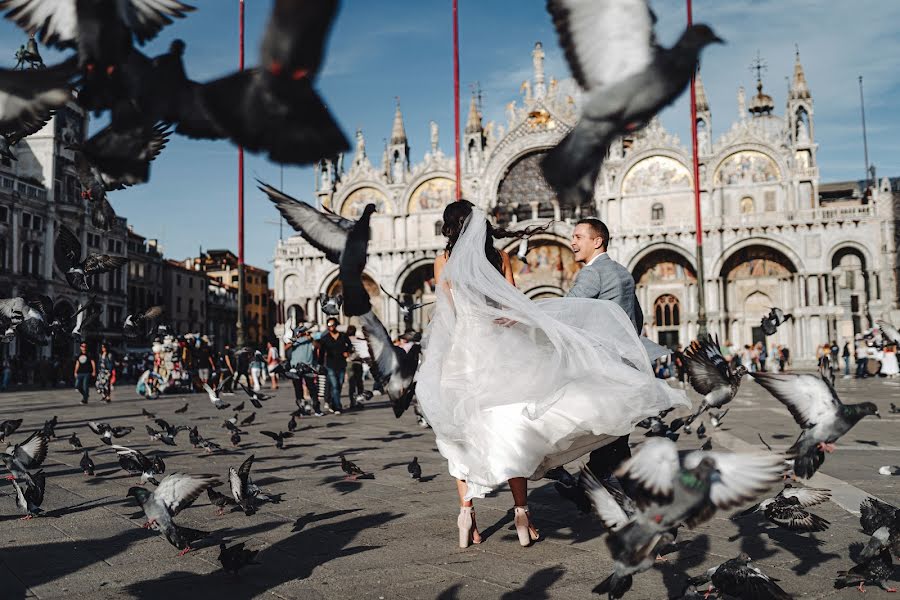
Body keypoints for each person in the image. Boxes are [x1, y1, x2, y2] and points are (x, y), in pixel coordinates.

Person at [416, 201, 687, 549]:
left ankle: (466, 514)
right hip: (497, 347)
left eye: (578, 236)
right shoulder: (500, 258)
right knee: (513, 421)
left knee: (460, 430)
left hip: (463, 350)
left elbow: (447, 313)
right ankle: (522, 514)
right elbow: (514, 303)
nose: (573, 241)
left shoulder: (444, 262)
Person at [286, 325, 323, 416]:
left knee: (312, 388)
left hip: (307, 366)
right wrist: (296, 339)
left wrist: (311, 338)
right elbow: (286, 347)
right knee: (298, 389)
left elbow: (318, 346)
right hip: (295, 367)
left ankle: (316, 408)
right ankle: (302, 408)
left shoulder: (309, 339)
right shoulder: (294, 341)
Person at [318, 317, 352, 414]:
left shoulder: (342, 336)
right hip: (330, 364)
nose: (330, 327)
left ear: (336, 325)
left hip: (341, 363)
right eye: (328, 325)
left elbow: (349, 345)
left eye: (332, 325)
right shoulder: (325, 338)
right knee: (335, 386)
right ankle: (337, 407)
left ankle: (333, 402)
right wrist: (320, 364)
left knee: (340, 385)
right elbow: (321, 352)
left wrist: (347, 352)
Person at [346, 325, 367, 410]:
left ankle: (352, 402)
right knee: (359, 383)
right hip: (359, 362)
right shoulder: (359, 340)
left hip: (349, 363)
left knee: (352, 384)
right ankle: (359, 401)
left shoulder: (346, 340)